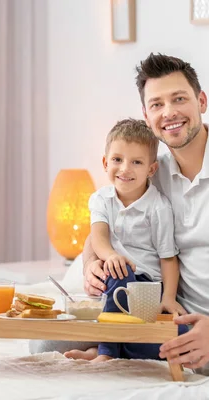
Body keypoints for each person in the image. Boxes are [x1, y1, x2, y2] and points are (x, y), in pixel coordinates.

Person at [80, 53, 209, 375]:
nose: (169, 113)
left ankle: (118, 346)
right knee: (44, 343)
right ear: (147, 115)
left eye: (179, 99)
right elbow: (103, 228)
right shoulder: (153, 170)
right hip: (173, 319)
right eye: (156, 104)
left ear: (201, 101)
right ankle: (124, 345)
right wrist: (90, 265)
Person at [67, 118, 187, 363]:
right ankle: (107, 352)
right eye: (117, 160)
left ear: (151, 170)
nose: (125, 169)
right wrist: (111, 256)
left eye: (136, 162)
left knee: (177, 337)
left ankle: (105, 350)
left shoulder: (158, 207)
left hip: (146, 285)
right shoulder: (102, 199)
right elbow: (98, 237)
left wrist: (168, 298)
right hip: (114, 279)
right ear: (105, 162)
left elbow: (168, 259)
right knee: (118, 271)